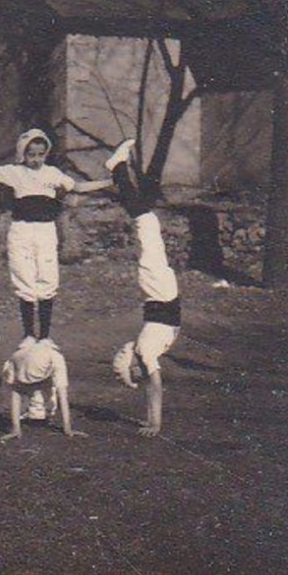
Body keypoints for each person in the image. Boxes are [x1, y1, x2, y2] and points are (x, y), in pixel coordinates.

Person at [0, 128, 110, 346]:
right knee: (24, 280)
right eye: (31, 154)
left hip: (45, 231)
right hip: (21, 231)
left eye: (40, 154)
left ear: (46, 153)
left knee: (47, 279)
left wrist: (109, 182)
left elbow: (78, 186)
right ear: (23, 153)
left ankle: (45, 337)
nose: (36, 159)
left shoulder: (52, 173)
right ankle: (29, 334)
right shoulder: (14, 171)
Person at [104, 139, 182, 437]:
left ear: (132, 364)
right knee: (146, 223)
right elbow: (151, 385)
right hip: (160, 292)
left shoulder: (145, 351)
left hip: (159, 291)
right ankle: (119, 170)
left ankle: (118, 169)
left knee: (146, 222)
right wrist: (150, 421)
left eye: (134, 374)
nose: (141, 376)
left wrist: (156, 423)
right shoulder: (145, 352)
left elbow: (157, 386)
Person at [0, 337, 86, 442]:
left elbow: (63, 396)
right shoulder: (16, 358)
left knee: (43, 412)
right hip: (23, 369)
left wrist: (67, 428)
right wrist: (15, 428)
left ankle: (36, 405)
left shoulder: (56, 358)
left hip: (44, 372)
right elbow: (15, 394)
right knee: (11, 408)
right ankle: (24, 411)